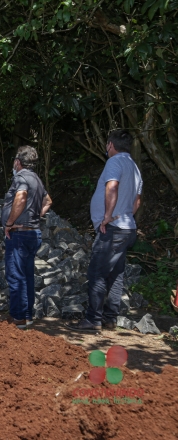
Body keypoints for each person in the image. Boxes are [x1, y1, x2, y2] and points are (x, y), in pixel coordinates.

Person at [67, 129, 142, 332]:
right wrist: (126, 215)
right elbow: (137, 200)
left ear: (110, 145)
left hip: (113, 228)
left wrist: (108, 216)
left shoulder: (114, 162)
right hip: (127, 228)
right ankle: (110, 318)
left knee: (98, 273)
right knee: (116, 274)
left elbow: (112, 187)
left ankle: (93, 319)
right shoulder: (134, 167)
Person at [2, 146, 53, 329]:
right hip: (33, 233)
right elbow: (48, 201)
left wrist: (10, 223)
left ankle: (18, 318)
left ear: (18, 162)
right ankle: (28, 315)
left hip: (19, 234)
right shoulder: (36, 179)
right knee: (27, 276)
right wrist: (35, 217)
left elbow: (21, 197)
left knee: (15, 275)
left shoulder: (21, 177)